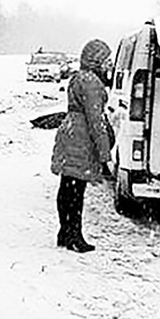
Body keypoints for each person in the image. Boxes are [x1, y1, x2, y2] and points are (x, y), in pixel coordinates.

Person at [50, 39, 113, 253]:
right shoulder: (92, 82)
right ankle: (75, 236)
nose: (108, 65)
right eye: (105, 60)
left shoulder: (78, 78)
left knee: (67, 186)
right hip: (82, 137)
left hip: (70, 132)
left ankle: (65, 232)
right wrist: (105, 153)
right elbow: (96, 121)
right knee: (76, 190)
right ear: (97, 61)